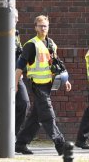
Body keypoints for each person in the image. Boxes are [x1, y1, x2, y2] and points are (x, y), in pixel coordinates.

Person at [14, 15, 72, 156]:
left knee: (36, 117)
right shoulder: (31, 45)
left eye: (45, 25)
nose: (43, 28)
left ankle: (21, 143)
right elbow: (20, 65)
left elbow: (57, 63)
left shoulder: (51, 43)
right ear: (35, 27)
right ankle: (60, 144)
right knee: (48, 114)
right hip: (37, 85)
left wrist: (66, 79)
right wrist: (15, 83)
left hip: (48, 85)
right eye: (40, 26)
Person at [0, 8, 30, 135]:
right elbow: (1, 54)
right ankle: (1, 137)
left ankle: (12, 136)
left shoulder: (15, 34)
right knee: (3, 107)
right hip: (1, 74)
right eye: (14, 17)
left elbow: (17, 55)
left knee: (24, 103)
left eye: (17, 17)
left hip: (15, 74)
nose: (17, 20)